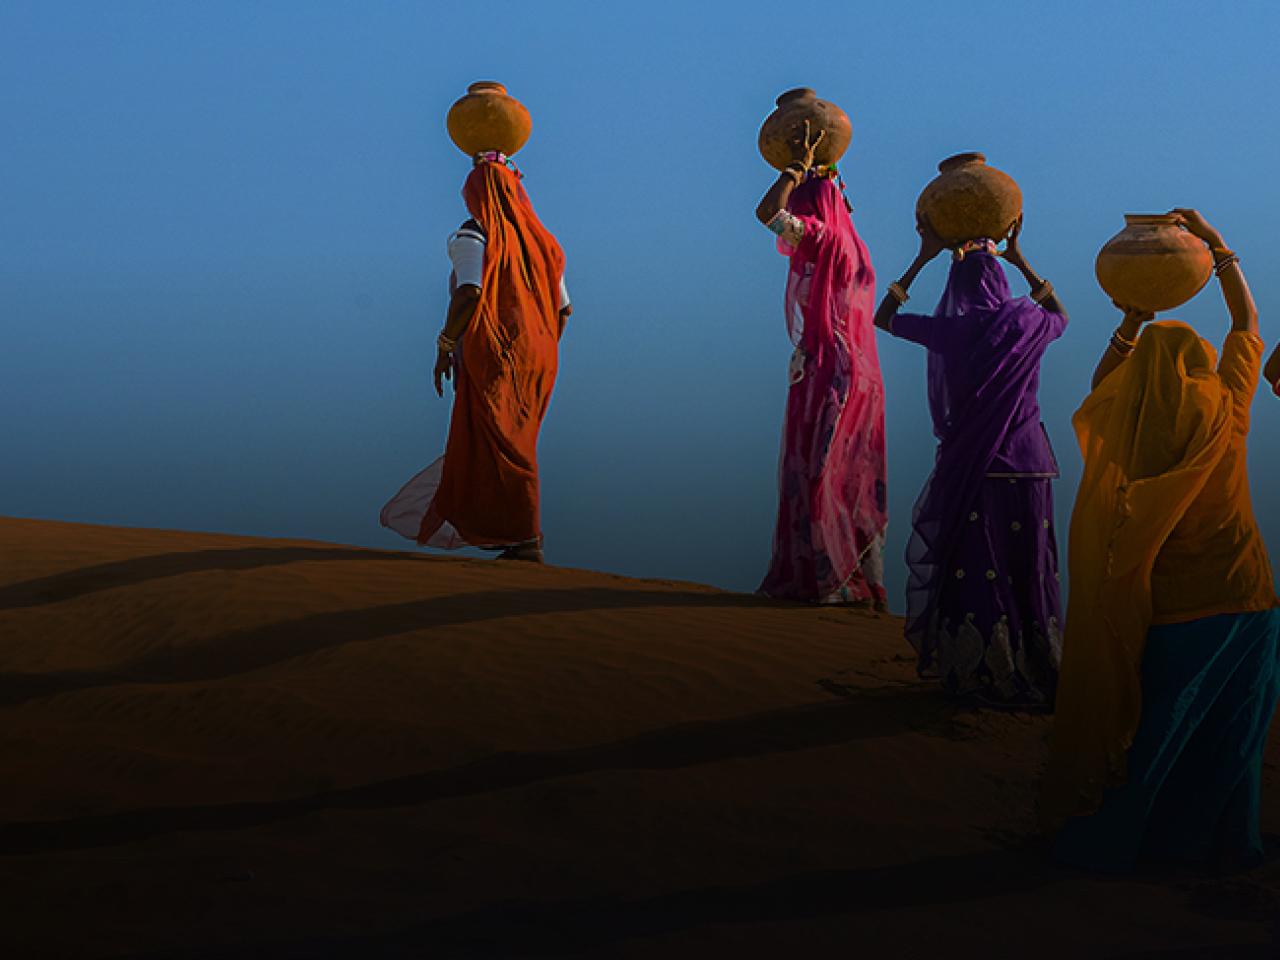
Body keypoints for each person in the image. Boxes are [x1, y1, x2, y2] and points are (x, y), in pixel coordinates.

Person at [1044, 209, 1280, 872]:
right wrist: (1216, 246)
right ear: (1197, 367)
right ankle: (1229, 842)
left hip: (1174, 611)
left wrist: (1131, 318)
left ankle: (1135, 836)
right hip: (1247, 596)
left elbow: (1099, 389)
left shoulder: (1132, 433)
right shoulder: (1226, 408)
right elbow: (1246, 326)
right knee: (1238, 730)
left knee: (1159, 734)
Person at [873, 215, 1067, 705]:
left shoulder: (950, 331)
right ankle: (1038, 659)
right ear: (1001, 281)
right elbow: (1060, 315)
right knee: (1027, 566)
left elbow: (885, 318)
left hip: (976, 468)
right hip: (1029, 466)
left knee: (980, 565)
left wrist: (923, 257)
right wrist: (1020, 258)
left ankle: (985, 665)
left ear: (955, 288)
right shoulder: (1028, 323)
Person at [381, 151, 572, 563]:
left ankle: (524, 538)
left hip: (495, 350)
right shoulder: (544, 245)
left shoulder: (474, 234)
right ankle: (518, 535)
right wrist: (537, 345)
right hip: (540, 355)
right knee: (516, 439)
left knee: (502, 441)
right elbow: (564, 310)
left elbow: (470, 292)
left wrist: (447, 344)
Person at [753, 122, 888, 607]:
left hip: (825, 369)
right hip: (861, 376)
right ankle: (861, 579)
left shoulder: (822, 237)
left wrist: (794, 170)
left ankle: (825, 578)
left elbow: (768, 213)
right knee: (855, 469)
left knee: (818, 467)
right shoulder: (854, 246)